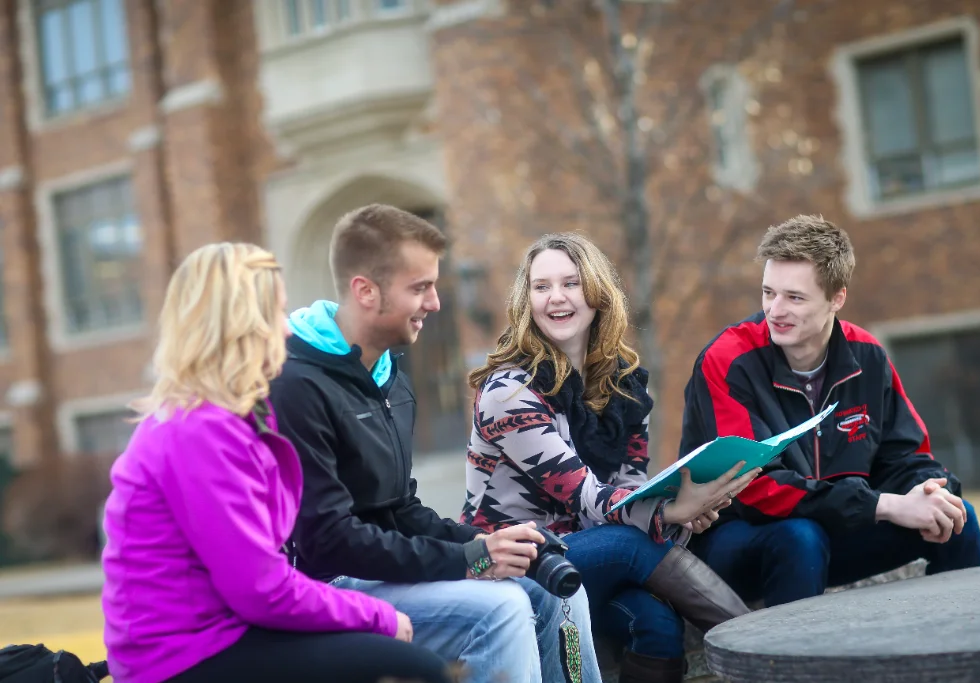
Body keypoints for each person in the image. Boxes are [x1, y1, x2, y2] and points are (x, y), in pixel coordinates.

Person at [269, 205, 601, 683]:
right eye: (419, 288)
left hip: (381, 570)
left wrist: (485, 543)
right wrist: (468, 560)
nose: (435, 303)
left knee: (555, 590)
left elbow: (402, 510)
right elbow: (325, 542)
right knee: (501, 608)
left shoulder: (391, 380)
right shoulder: (297, 385)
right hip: (327, 585)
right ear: (366, 291)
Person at [101, 243, 452, 683]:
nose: (286, 331)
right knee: (415, 671)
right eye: (273, 315)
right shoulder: (199, 431)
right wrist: (377, 615)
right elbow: (260, 589)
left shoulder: (226, 418)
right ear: (236, 328)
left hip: (225, 632)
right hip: (185, 656)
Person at [463, 233, 759, 683]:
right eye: (541, 287)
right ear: (527, 301)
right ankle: (764, 654)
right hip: (506, 566)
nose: (556, 298)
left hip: (584, 559)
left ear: (598, 294)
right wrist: (668, 513)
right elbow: (584, 494)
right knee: (629, 543)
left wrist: (680, 511)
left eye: (571, 283)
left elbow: (631, 485)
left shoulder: (623, 388)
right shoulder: (510, 392)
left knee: (658, 626)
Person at [680, 214, 980, 608]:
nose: (775, 310)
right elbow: (753, 487)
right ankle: (785, 666)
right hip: (738, 537)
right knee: (800, 537)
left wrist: (930, 491)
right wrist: (884, 505)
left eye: (794, 297)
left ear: (836, 298)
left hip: (836, 527)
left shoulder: (868, 355)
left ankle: (961, 655)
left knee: (957, 518)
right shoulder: (727, 361)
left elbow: (906, 455)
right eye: (768, 293)